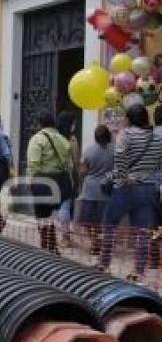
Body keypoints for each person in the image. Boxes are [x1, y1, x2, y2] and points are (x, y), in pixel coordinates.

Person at [100, 104, 162, 283]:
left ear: (129, 118)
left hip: (126, 188)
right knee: (142, 231)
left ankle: (104, 264)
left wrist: (122, 179)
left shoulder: (126, 135)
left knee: (109, 224)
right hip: (148, 188)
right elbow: (158, 164)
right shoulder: (156, 138)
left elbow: (119, 159)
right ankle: (138, 271)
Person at [27, 111, 74, 254]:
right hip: (60, 182)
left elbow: (33, 164)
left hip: (43, 182)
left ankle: (47, 246)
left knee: (42, 215)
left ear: (39, 124)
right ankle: (52, 246)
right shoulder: (63, 139)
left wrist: (31, 182)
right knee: (50, 215)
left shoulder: (37, 139)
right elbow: (69, 165)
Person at [77, 125, 114, 256]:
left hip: (90, 191)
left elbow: (82, 172)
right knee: (103, 222)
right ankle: (101, 243)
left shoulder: (88, 150)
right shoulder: (115, 150)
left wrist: (82, 181)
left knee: (87, 221)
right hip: (107, 191)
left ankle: (95, 243)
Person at [55, 111, 81, 248]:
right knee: (66, 205)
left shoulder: (54, 137)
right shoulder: (71, 140)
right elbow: (76, 161)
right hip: (67, 175)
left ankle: (53, 236)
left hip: (53, 174)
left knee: (59, 206)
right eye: (74, 123)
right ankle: (65, 237)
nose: (74, 126)